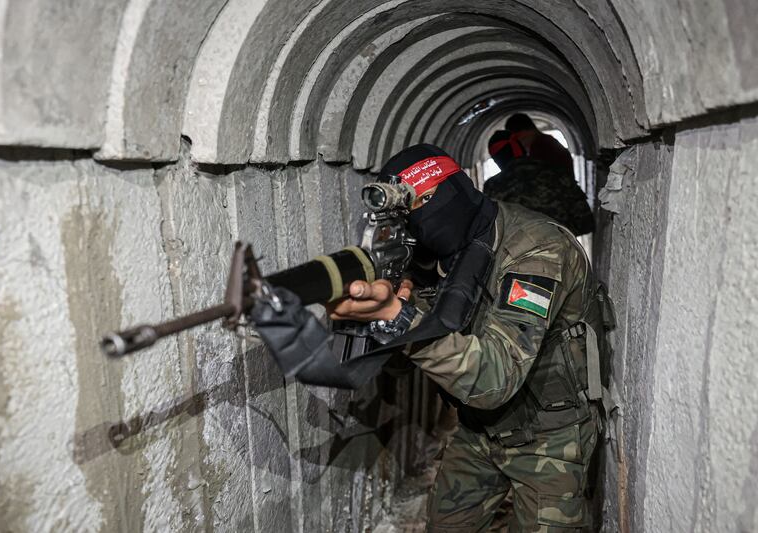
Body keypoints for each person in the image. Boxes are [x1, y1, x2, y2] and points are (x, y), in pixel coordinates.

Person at [252, 143, 612, 532]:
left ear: (451, 192)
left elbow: (494, 380)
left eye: (421, 205)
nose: (419, 227)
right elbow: (405, 365)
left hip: (551, 438)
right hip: (480, 429)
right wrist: (378, 315)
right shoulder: (445, 254)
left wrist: (397, 316)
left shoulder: (537, 252)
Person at [485, 129, 595, 236]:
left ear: (497, 160)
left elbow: (490, 234)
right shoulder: (557, 173)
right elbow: (585, 223)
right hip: (562, 250)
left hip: (515, 254)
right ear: (521, 148)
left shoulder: (492, 187)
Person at [505, 113, 574, 177]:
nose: (520, 142)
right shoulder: (546, 142)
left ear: (527, 130)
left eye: (518, 137)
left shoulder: (541, 146)